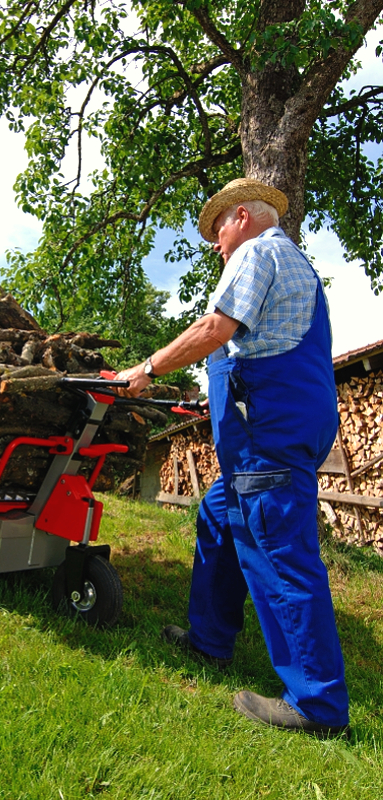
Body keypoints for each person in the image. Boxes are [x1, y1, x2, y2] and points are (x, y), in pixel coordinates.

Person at [115, 177, 350, 738]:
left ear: (241, 216)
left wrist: (146, 369)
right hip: (270, 437)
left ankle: (316, 704)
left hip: (267, 441)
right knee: (217, 517)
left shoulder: (258, 251)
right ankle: (210, 641)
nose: (216, 243)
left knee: (279, 555)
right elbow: (254, 350)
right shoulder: (291, 264)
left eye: (216, 230)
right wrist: (209, 397)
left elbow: (214, 329)